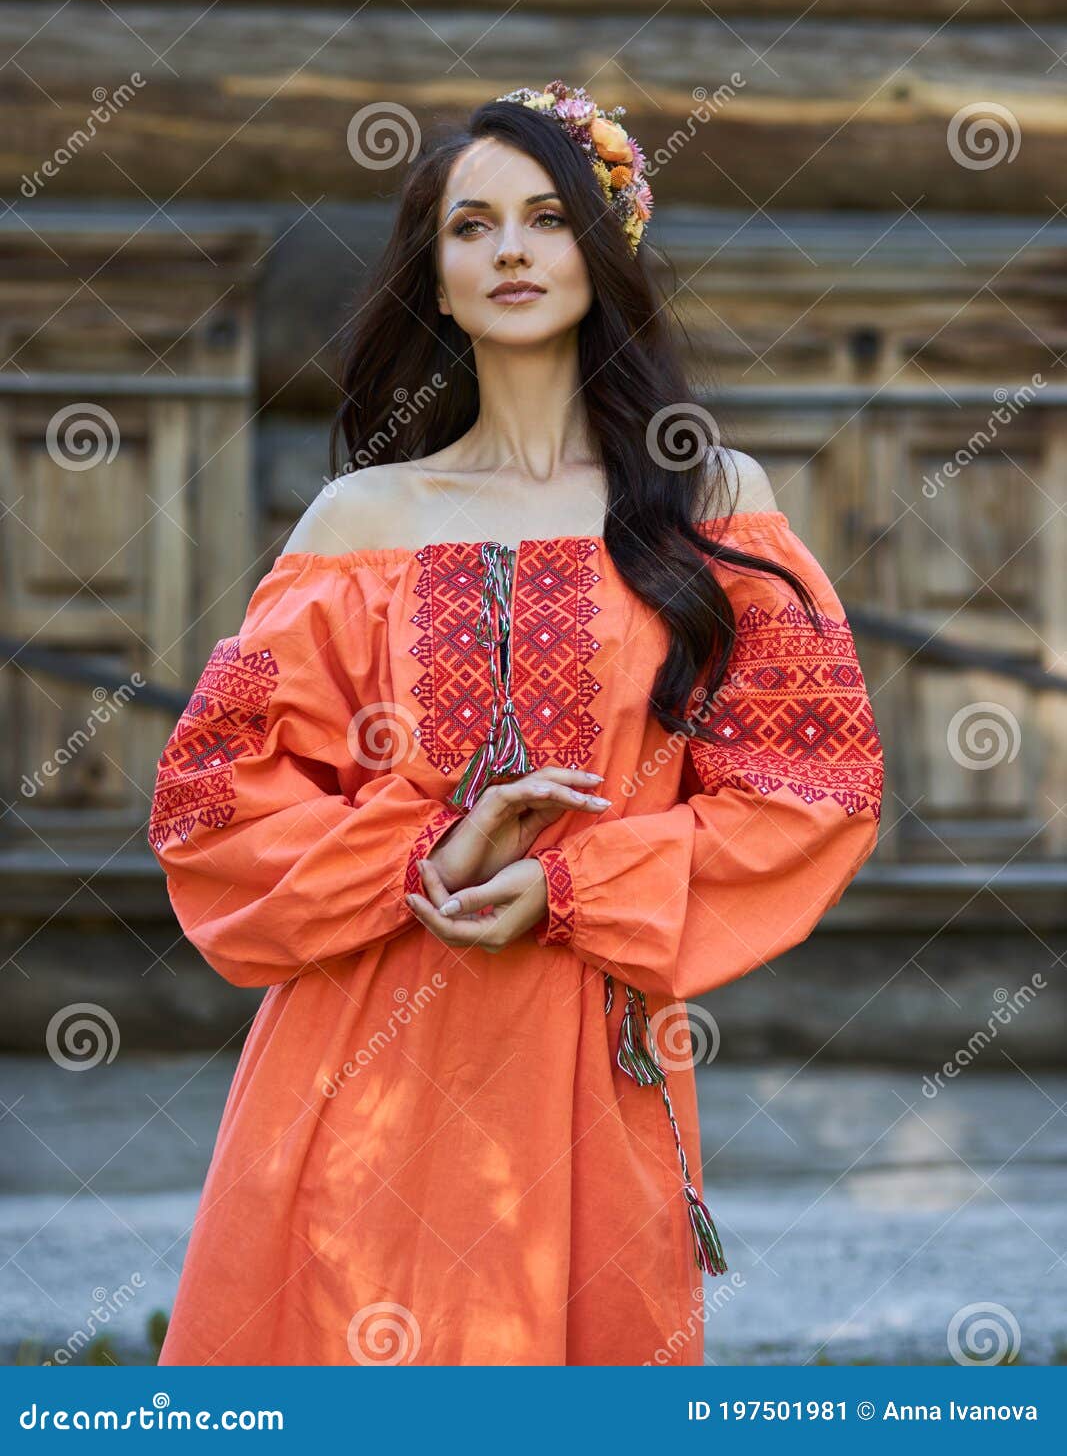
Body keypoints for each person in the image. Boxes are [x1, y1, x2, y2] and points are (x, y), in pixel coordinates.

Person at [148, 80, 884, 1366]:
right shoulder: (360, 522)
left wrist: (571, 879)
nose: (508, 251)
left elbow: (809, 785)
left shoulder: (712, 503)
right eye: (470, 225)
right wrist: (424, 857)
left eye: (545, 219)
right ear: (435, 277)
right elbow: (213, 800)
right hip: (364, 1042)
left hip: (587, 1045)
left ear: (601, 256)